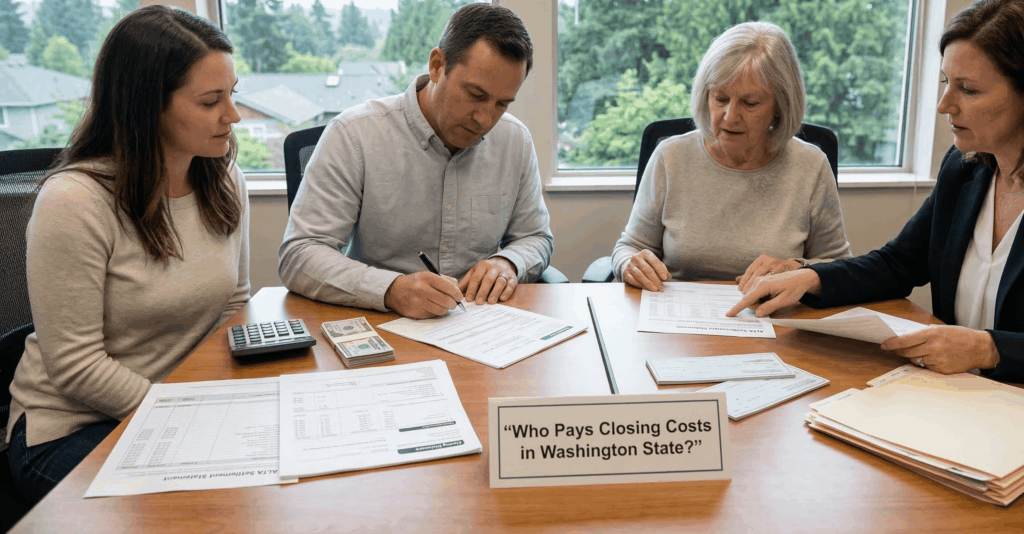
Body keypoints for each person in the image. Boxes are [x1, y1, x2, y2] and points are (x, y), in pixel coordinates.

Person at [3, 5, 250, 503]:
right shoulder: (74, 202)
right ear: (145, 106)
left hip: (172, 411)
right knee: (203, 509)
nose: (234, 116)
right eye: (210, 101)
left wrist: (230, 401)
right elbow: (75, 365)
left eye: (232, 95)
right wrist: (188, 417)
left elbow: (233, 302)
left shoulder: (221, 176)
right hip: (71, 428)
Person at [728, 0, 1024, 382]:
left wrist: (990, 348)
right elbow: (899, 263)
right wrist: (811, 277)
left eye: (968, 90)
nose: (943, 105)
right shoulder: (964, 168)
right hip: (958, 395)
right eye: (945, 82)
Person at [279, 4, 553, 319]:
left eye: (502, 104)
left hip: (479, 323)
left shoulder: (514, 141)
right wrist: (392, 289)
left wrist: (508, 263)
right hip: (380, 320)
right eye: (476, 95)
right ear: (437, 65)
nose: (485, 119)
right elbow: (299, 255)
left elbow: (535, 236)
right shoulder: (355, 134)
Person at [612, 21, 851, 292]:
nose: (730, 116)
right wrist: (629, 263)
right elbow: (630, 247)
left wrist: (797, 268)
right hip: (679, 319)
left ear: (780, 106)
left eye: (749, 103)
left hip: (775, 320)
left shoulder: (811, 165)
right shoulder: (671, 156)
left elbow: (838, 266)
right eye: (720, 98)